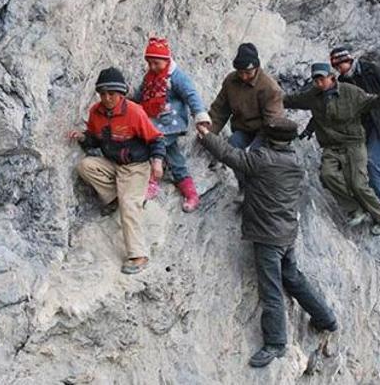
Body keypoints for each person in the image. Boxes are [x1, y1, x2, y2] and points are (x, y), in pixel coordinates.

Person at [196, 117, 338, 368]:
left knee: (271, 289)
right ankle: (325, 318)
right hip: (287, 232)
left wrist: (207, 136)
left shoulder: (262, 160)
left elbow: (230, 155)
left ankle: (275, 343)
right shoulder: (295, 161)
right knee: (292, 277)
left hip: (267, 236)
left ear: (269, 138)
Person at [284, 63, 380, 234]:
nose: (318, 82)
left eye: (321, 78)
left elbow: (372, 101)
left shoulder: (350, 92)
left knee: (358, 183)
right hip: (331, 146)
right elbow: (292, 100)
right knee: (327, 175)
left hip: (353, 143)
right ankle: (355, 208)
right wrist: (270, 96)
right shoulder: (312, 96)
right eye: (316, 79)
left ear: (331, 77)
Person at [69, 67, 166, 275]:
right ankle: (113, 198)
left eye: (111, 94)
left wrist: (157, 162)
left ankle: (138, 255)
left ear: (120, 94)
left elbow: (156, 138)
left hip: (135, 167)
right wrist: (83, 138)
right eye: (102, 94)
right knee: (85, 166)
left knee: (130, 204)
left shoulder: (134, 112)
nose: (106, 98)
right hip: (113, 163)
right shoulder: (96, 112)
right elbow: (95, 139)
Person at [134, 37, 211, 212]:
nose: (153, 67)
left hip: (171, 122)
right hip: (153, 120)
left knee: (156, 144)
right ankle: (191, 193)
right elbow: (141, 95)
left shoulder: (176, 77)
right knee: (175, 159)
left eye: (156, 63)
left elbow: (191, 94)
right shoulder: (150, 77)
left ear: (167, 60)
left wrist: (200, 115)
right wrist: (130, 106)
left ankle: (153, 180)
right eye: (150, 63)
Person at [208, 43, 284, 191]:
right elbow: (220, 109)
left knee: (255, 157)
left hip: (264, 129)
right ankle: (244, 187)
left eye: (248, 72)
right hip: (242, 127)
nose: (243, 76)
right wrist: (209, 133)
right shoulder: (231, 81)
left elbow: (273, 121)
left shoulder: (269, 88)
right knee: (232, 148)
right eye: (240, 72)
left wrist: (270, 144)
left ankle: (258, 190)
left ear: (256, 68)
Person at [328, 46, 380, 204]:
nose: (339, 69)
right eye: (336, 67)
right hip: (364, 125)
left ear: (348, 61)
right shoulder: (342, 82)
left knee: (371, 159)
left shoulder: (371, 70)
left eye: (340, 65)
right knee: (378, 162)